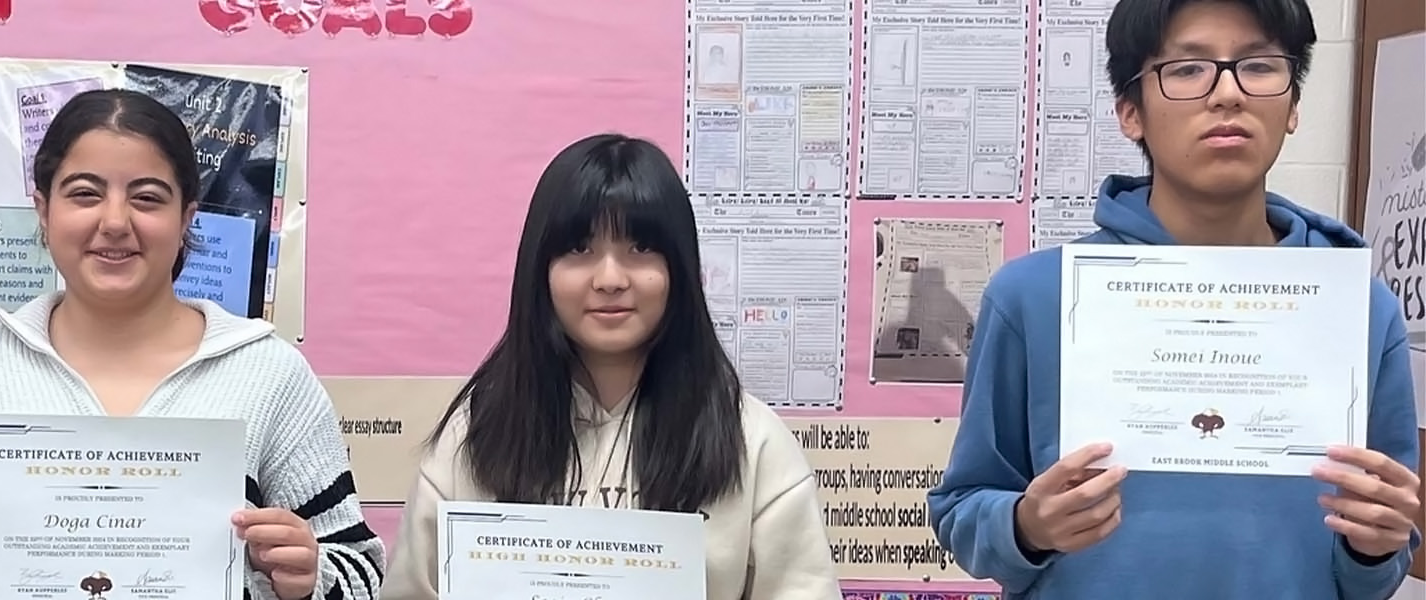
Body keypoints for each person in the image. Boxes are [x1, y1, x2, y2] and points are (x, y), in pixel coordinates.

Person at [927, 1, 1422, 598]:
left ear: (1293, 106)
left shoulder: (1359, 310)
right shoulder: (1034, 296)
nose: (1227, 94)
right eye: (1187, 70)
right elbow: (961, 511)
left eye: (1258, 66)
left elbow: (1379, 564)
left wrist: (1375, 549)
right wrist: (1027, 527)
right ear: (1130, 113)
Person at [0, 89, 384, 600]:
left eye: (147, 198)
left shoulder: (270, 376)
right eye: (84, 193)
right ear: (43, 209)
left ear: (186, 218)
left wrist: (307, 577)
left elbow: (359, 568)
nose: (114, 222)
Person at [379, 133, 842, 600]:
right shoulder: (475, 434)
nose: (610, 279)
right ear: (541, 270)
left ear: (678, 268)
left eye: (640, 248)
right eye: (580, 249)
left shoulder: (751, 440)